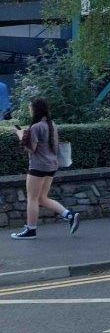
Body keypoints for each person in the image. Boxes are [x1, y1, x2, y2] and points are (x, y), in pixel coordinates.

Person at [11, 97, 79, 239]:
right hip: (51, 165)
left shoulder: (36, 127)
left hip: (38, 166)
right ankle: (69, 215)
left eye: (30, 108)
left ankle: (30, 230)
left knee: (32, 198)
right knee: (42, 198)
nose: (29, 110)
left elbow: (31, 149)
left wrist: (20, 134)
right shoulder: (51, 124)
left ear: (36, 109)